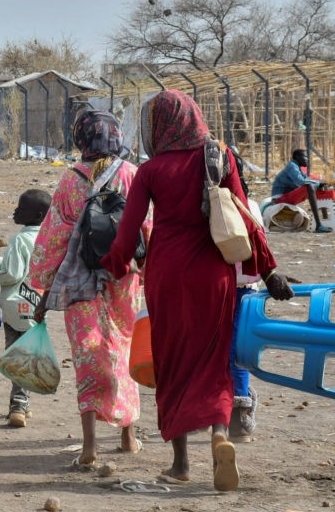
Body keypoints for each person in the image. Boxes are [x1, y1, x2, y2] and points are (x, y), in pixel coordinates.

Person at [101, 89, 293, 491]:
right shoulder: (218, 155)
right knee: (213, 362)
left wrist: (115, 265)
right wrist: (269, 269)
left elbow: (128, 231)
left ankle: (181, 464)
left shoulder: (152, 170)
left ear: (159, 125)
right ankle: (220, 437)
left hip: (168, 275)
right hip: (215, 274)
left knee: (173, 365)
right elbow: (245, 215)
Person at [29, 110, 148, 468]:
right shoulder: (133, 176)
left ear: (81, 139)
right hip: (125, 280)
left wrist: (38, 292)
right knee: (125, 351)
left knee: (88, 358)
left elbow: (52, 239)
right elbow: (148, 229)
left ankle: (90, 447)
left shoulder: (69, 181)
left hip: (80, 285)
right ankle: (128, 435)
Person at [0, 188, 50, 428]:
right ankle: (24, 402)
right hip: (36, 304)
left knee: (16, 356)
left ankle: (18, 405)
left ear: (38, 214)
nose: (15, 211)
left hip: (14, 307)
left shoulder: (19, 239)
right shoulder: (45, 238)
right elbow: (27, 267)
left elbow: (14, 274)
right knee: (28, 354)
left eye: (21, 208)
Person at [270, 149, 331, 233]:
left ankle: (326, 221)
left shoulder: (297, 168)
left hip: (286, 198)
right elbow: (301, 181)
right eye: (305, 156)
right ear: (297, 157)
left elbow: (306, 179)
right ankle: (319, 225)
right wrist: (318, 183)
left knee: (316, 186)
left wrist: (320, 184)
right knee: (309, 186)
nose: (307, 159)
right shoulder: (292, 166)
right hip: (279, 200)